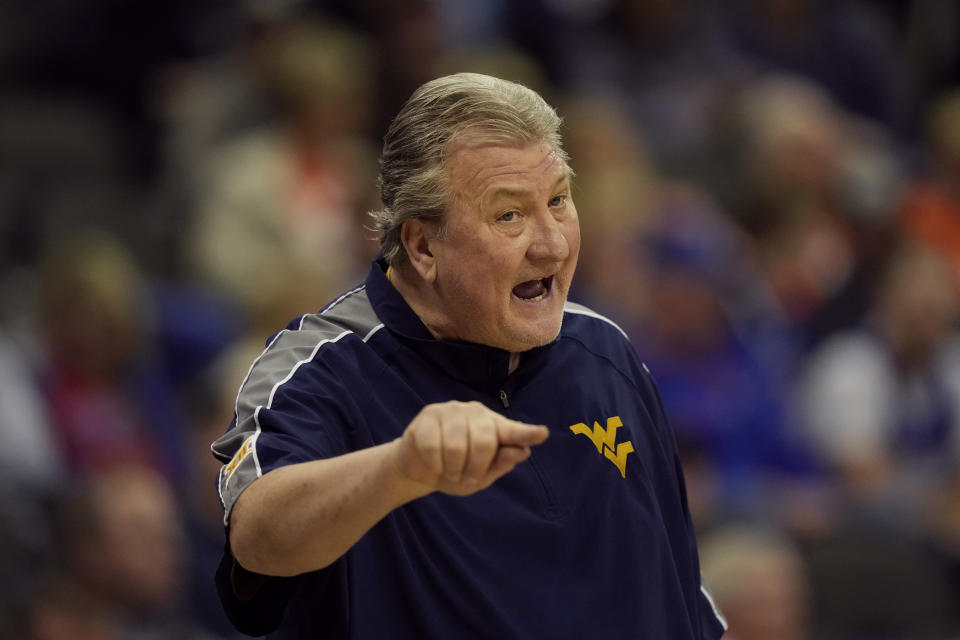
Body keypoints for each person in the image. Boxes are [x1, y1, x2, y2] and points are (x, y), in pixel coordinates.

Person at [212, 72, 727, 639]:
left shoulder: (607, 352)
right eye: (509, 215)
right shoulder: (319, 370)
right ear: (423, 246)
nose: (552, 243)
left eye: (558, 201)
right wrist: (399, 467)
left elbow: (681, 594)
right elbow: (257, 540)